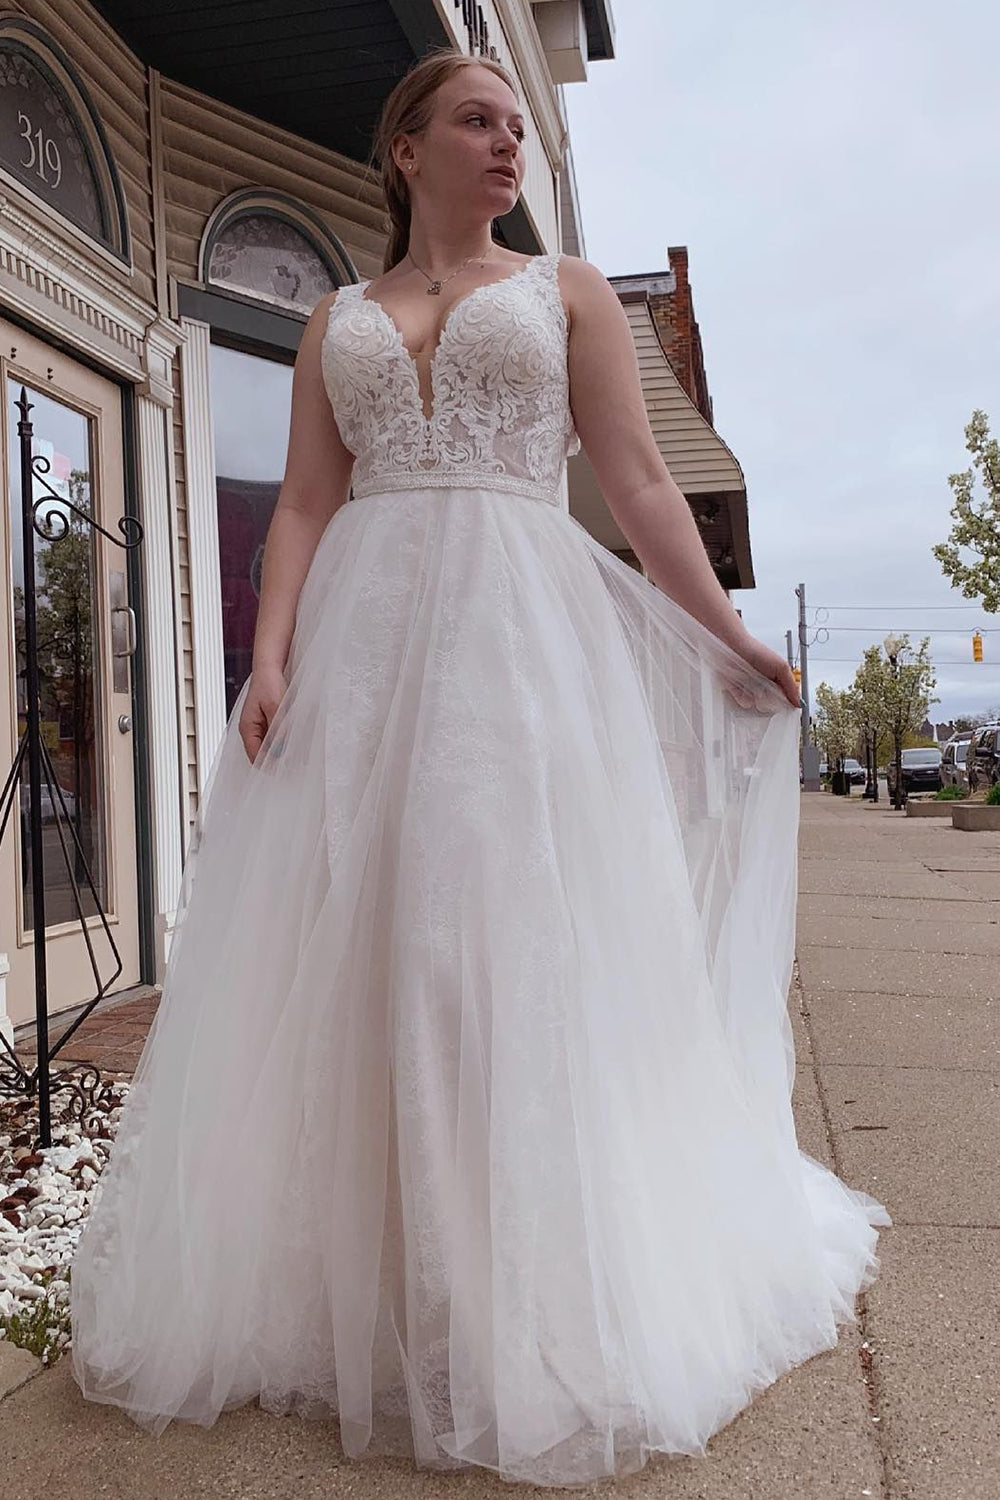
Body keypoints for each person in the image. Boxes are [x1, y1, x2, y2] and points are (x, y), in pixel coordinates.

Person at [69, 46, 890, 1489]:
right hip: (368, 648)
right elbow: (305, 503)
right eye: (478, 121)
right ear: (408, 148)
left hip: (516, 643)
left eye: (519, 123)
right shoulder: (334, 321)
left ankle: (517, 1296)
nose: (509, 143)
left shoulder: (565, 292)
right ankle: (388, 1280)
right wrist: (270, 656)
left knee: (495, 943)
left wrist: (728, 635)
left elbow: (637, 479)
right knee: (370, 944)